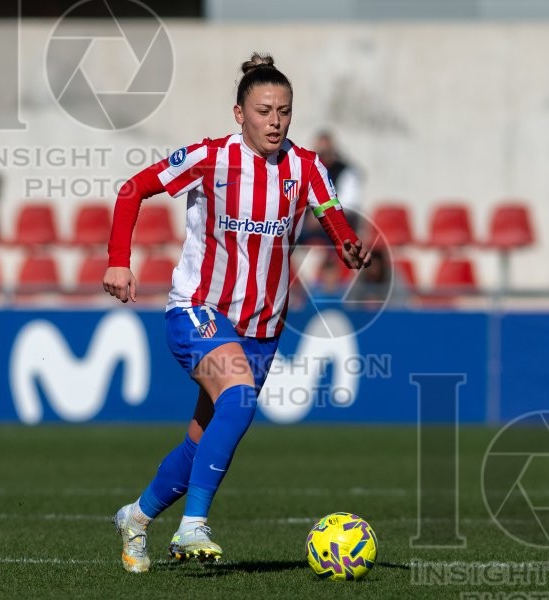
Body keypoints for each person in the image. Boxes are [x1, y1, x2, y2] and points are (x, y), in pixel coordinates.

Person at [103, 52, 370, 573]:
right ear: (239, 113)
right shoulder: (210, 157)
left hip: (263, 327)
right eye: (265, 110)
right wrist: (118, 262)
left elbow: (332, 215)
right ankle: (193, 525)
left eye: (285, 111)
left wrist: (348, 245)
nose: (276, 121)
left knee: (203, 438)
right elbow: (134, 189)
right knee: (240, 396)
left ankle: (136, 517)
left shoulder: (306, 166)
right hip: (198, 308)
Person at [298, 130, 364, 244]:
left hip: (335, 226)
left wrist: (320, 215)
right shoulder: (307, 170)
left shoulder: (346, 172)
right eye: (320, 153)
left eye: (326, 153)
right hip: (307, 227)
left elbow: (348, 204)